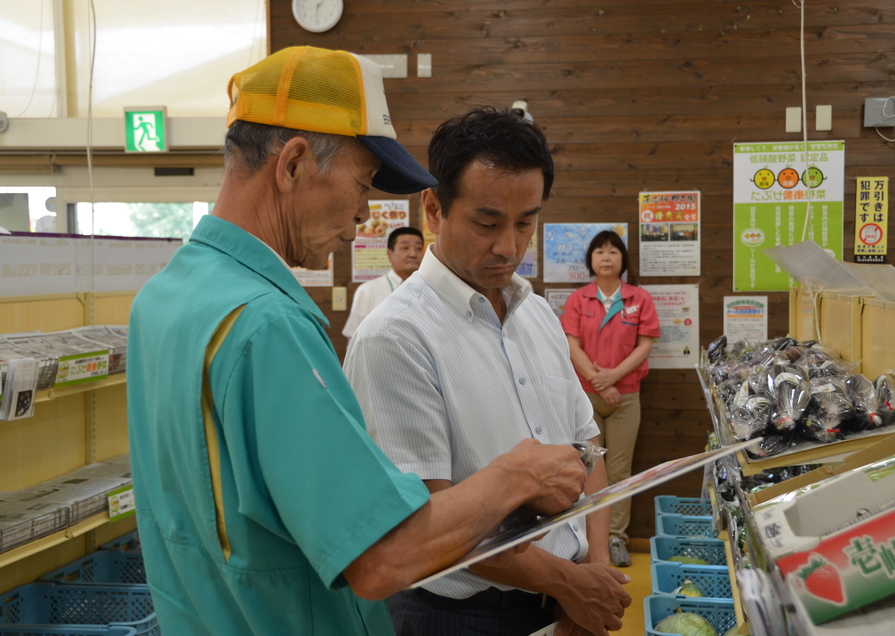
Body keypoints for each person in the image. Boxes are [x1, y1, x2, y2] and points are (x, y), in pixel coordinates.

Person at [126, 48, 589, 636]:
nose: (364, 216)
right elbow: (381, 557)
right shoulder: (268, 325)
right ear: (293, 164)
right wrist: (517, 476)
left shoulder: (166, 299)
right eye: (362, 184)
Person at [344, 107, 632, 636]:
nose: (509, 246)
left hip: (565, 599)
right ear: (434, 207)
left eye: (526, 221)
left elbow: (587, 449)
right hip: (459, 615)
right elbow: (423, 525)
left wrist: (590, 573)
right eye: (487, 221)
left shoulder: (537, 313)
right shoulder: (395, 337)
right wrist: (566, 585)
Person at [558, 230, 661, 567]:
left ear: (622, 260)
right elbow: (570, 345)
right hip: (584, 399)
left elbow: (645, 345)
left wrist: (613, 377)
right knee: (586, 470)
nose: (606, 257)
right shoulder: (578, 299)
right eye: (599, 251)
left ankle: (616, 540)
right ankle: (589, 542)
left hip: (625, 398)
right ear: (590, 260)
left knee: (619, 471)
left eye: (613, 251)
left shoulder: (638, 298)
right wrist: (599, 382)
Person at [342, 227, 424, 340]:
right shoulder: (368, 291)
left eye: (419, 248)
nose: (413, 254)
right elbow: (353, 337)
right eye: (405, 248)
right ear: (390, 254)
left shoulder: (430, 289)